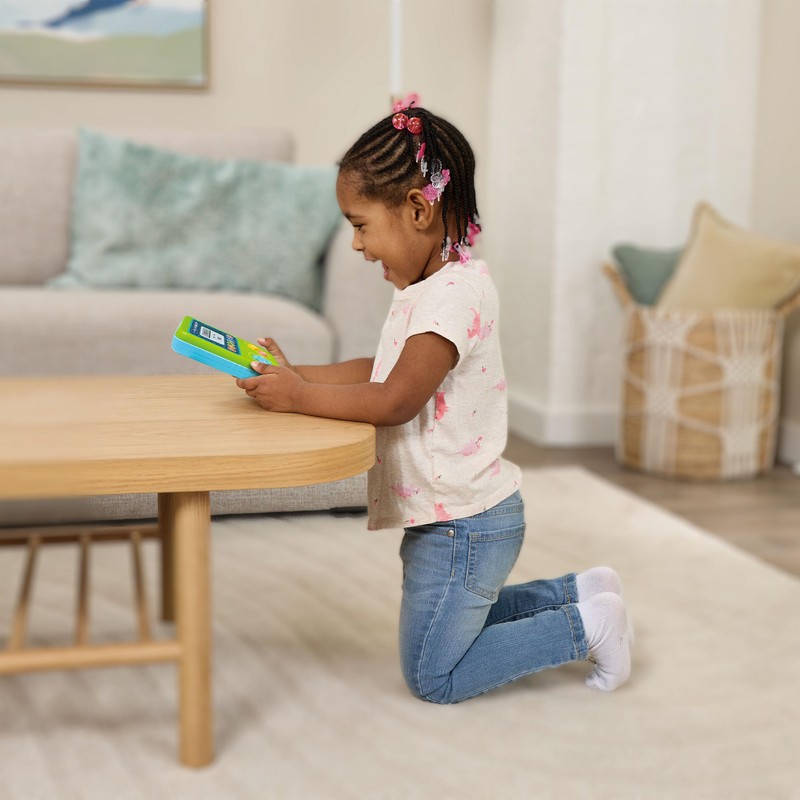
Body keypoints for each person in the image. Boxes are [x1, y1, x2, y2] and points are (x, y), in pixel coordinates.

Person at [236, 100, 631, 703]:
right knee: (452, 627)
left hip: (461, 525)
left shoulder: (450, 298)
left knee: (434, 674)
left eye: (361, 225)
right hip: (459, 519)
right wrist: (297, 374)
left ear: (418, 209)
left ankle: (588, 627)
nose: (356, 245)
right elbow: (379, 373)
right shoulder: (433, 288)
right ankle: (580, 593)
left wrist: (300, 397)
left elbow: (394, 400)